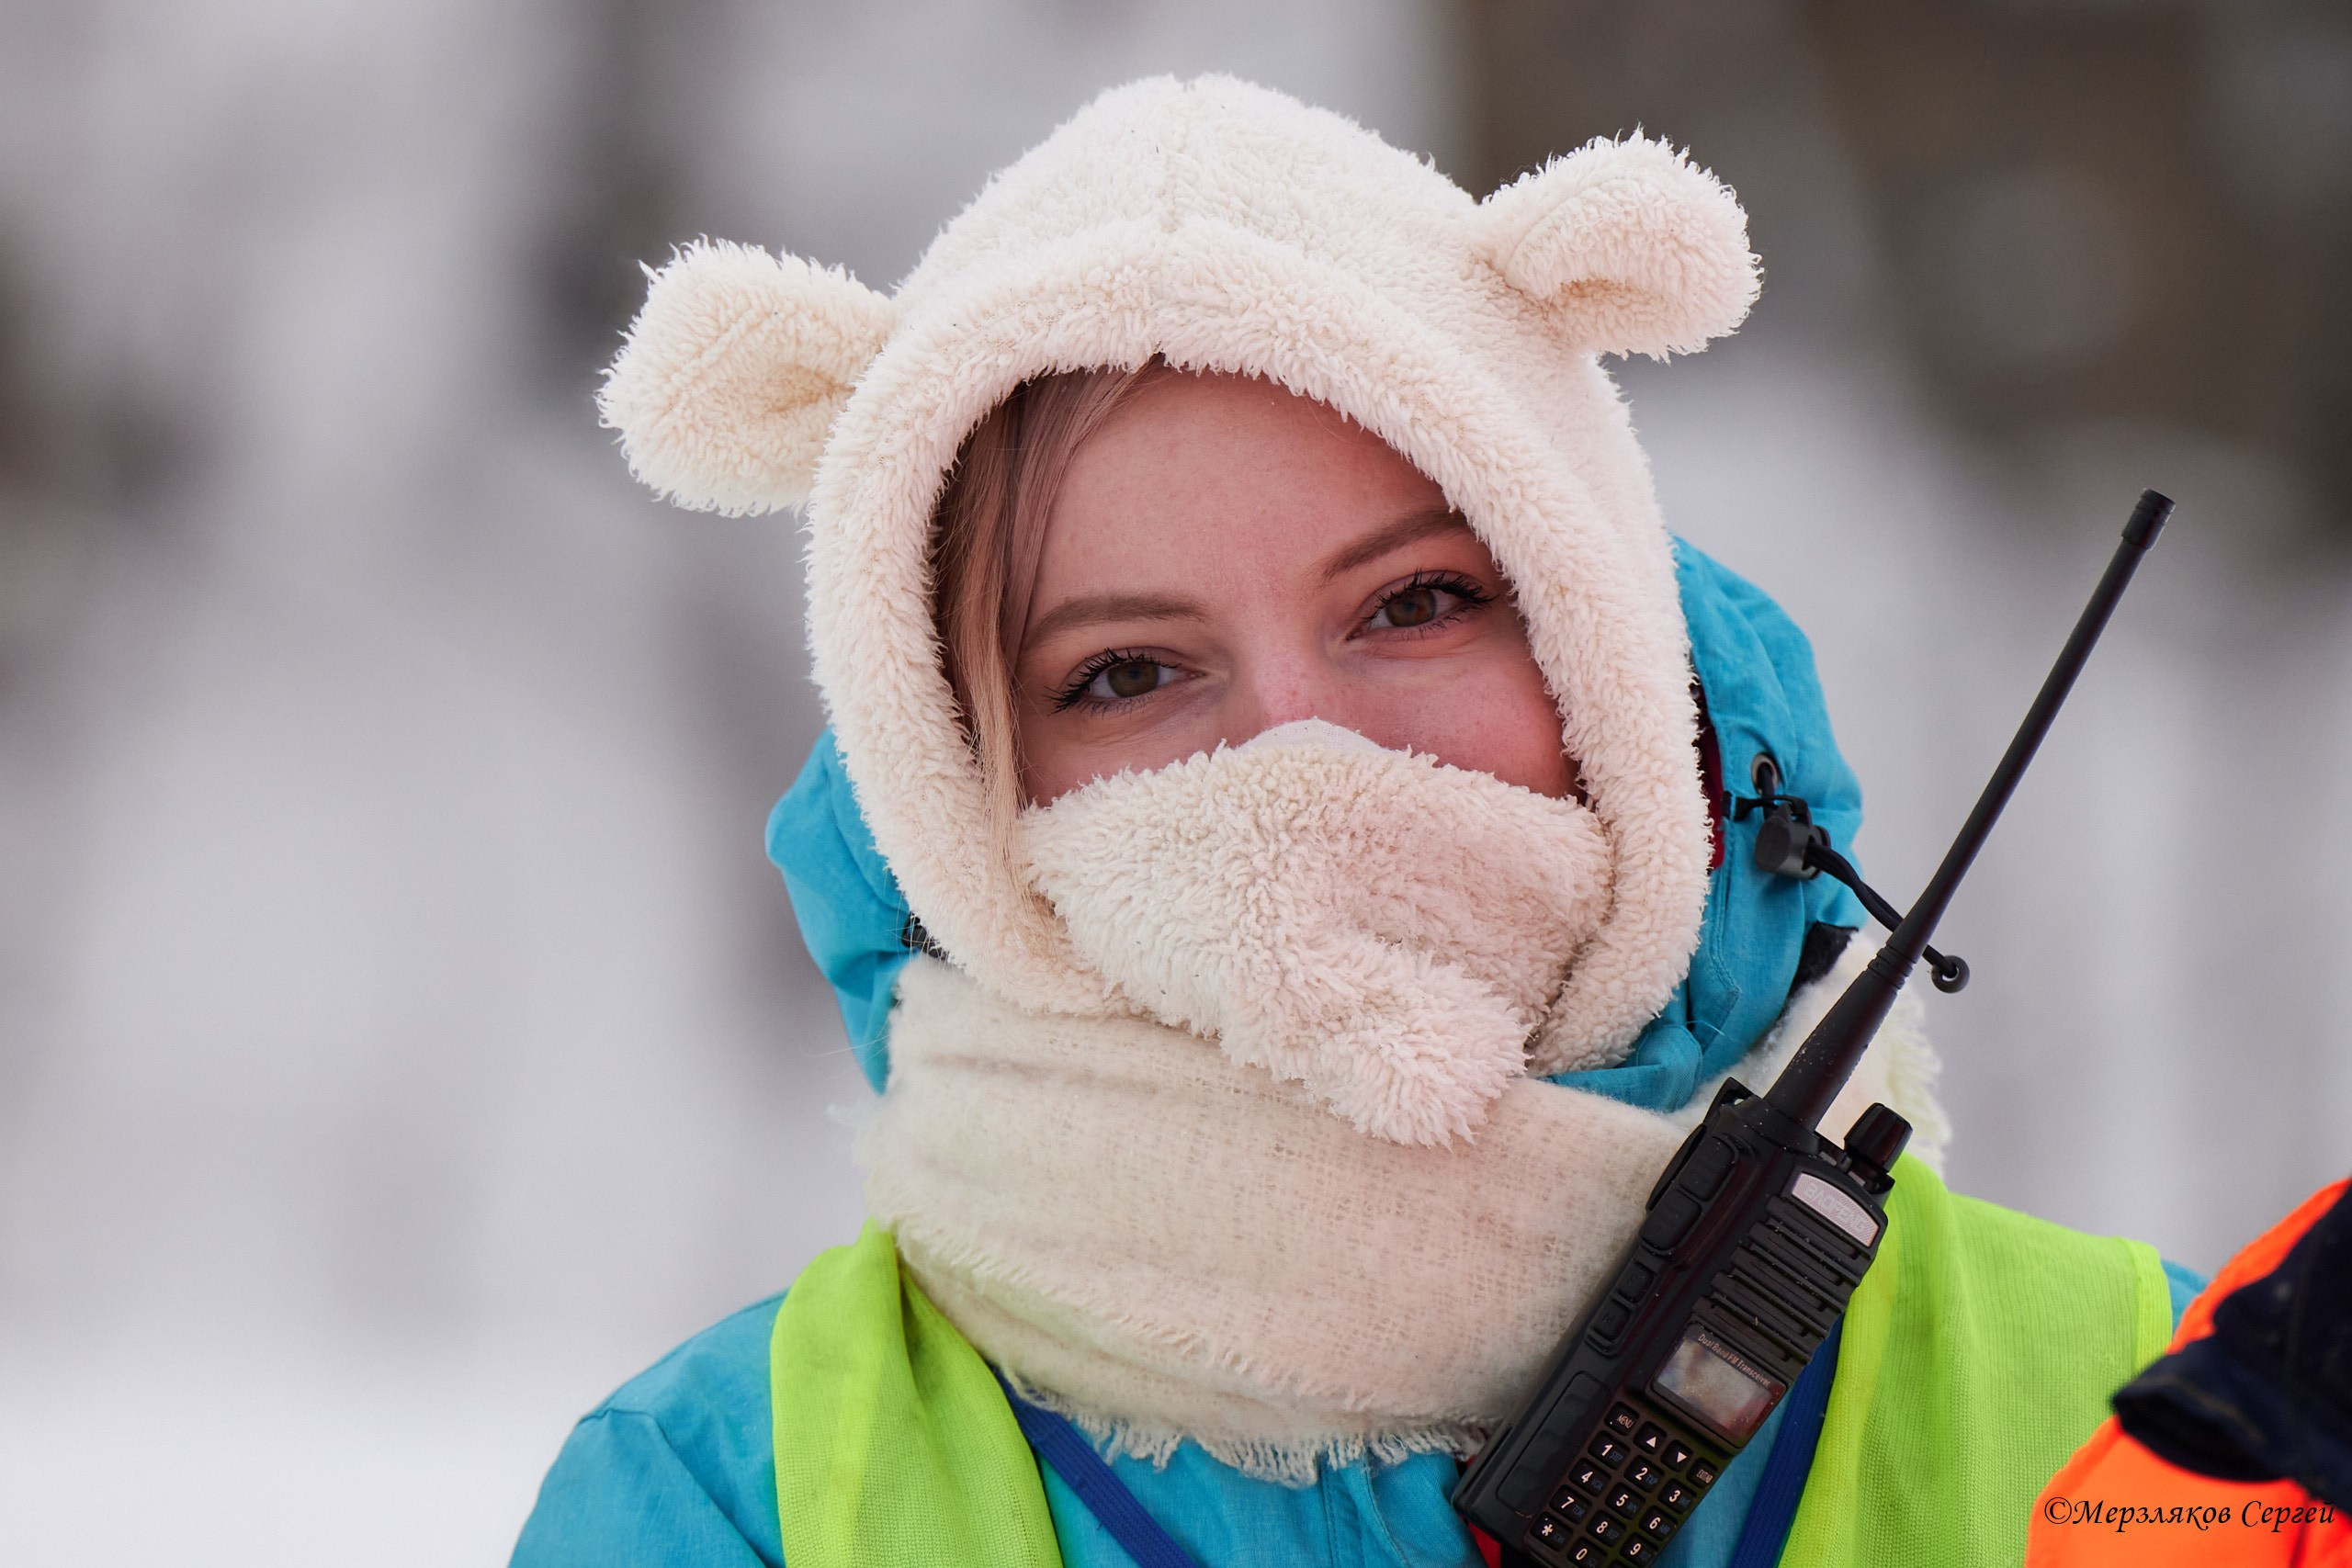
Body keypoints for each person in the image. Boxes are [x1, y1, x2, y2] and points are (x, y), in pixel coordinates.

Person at [512, 76, 2204, 1567]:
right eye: (1123, 674)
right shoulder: (726, 1507)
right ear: (959, 791)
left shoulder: (2167, 1426)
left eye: (1411, 603)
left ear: (1600, 653)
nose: (1302, 756)